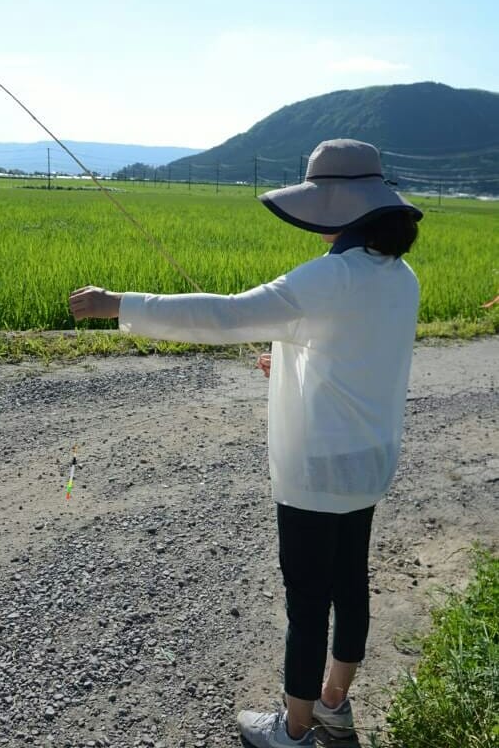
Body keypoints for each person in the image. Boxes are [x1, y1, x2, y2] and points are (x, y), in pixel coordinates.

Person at [69, 139, 422, 747]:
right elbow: (353, 356)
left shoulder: (329, 278)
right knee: (350, 584)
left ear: (339, 208)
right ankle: (335, 704)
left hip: (316, 473)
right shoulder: (401, 277)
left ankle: (294, 728)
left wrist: (118, 304)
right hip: (368, 463)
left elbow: (223, 315)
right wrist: (285, 359)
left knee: (307, 601)